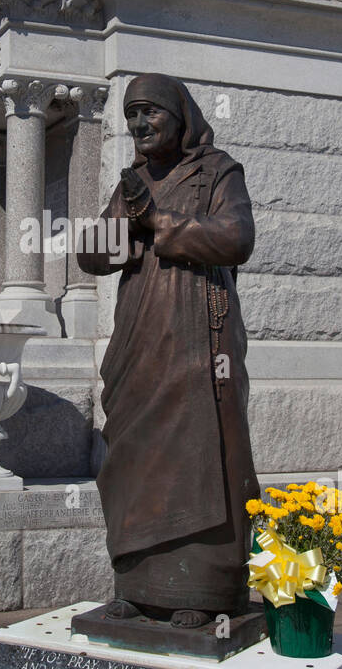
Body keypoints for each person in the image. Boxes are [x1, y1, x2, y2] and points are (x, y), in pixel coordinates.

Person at [77, 74, 260, 629]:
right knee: (132, 451)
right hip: (140, 335)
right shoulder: (132, 179)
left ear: (180, 117)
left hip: (200, 335)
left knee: (201, 452)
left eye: (149, 113)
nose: (139, 125)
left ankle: (203, 588)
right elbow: (92, 257)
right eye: (132, 116)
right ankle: (137, 584)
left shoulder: (217, 170)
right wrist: (121, 223)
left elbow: (236, 238)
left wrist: (157, 221)